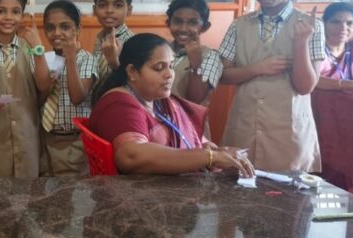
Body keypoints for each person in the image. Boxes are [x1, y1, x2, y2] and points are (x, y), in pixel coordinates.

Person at [89, 34, 254, 177]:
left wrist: (217, 151)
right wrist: (209, 157)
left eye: (171, 66)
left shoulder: (159, 102)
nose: (169, 74)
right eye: (159, 68)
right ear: (132, 72)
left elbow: (192, 139)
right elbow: (132, 156)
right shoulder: (119, 104)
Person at [218, 0, 323, 172]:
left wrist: (301, 42)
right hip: (245, 124)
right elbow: (223, 75)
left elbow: (306, 87)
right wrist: (257, 68)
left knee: (287, 191)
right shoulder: (240, 25)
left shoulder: (311, 25)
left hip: (288, 130)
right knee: (238, 186)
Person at [0, 0, 52, 178]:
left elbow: (44, 84)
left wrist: (38, 48)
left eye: (15, 11)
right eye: (1, 11)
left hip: (28, 136)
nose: (8, 17)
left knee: (28, 190)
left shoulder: (30, 49)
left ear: (22, 16)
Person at [40, 0, 94, 176]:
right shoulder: (45, 59)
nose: (57, 33)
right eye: (50, 28)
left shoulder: (86, 59)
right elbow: (38, 99)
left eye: (65, 27)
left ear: (77, 29)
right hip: (47, 138)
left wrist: (70, 58)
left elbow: (77, 97)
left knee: (73, 189)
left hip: (75, 141)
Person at [166, 0, 224, 107]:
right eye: (177, 21)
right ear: (168, 23)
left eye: (192, 23)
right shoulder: (160, 49)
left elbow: (195, 100)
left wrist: (196, 65)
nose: (183, 29)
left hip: (186, 118)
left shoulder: (211, 56)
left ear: (205, 27)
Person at [92, 0, 135, 96]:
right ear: (94, 10)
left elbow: (133, 85)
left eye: (118, 5)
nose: (109, 10)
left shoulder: (132, 43)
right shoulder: (99, 39)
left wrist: (114, 62)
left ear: (129, 10)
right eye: (102, 5)